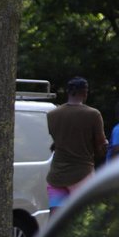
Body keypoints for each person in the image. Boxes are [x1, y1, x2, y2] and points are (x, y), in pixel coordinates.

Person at [46, 76, 107, 213]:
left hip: (56, 175)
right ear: (85, 92)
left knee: (56, 220)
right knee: (82, 219)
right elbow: (101, 146)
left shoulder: (52, 115)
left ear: (68, 92)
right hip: (82, 174)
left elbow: (58, 142)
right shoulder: (93, 114)